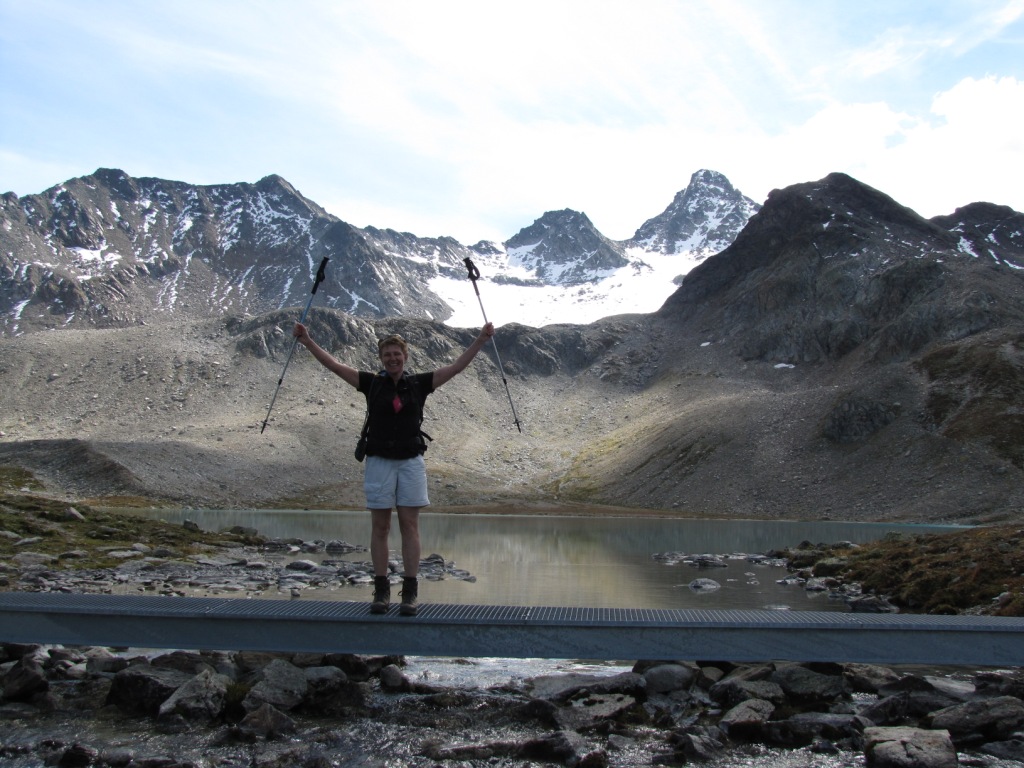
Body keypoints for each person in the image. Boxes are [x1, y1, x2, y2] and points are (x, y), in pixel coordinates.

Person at [293, 320, 495, 615]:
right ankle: (381, 590)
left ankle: (410, 592)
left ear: (405, 356)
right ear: (381, 358)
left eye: (397, 354)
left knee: (410, 526)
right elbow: (335, 366)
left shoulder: (420, 384)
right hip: (379, 462)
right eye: (387, 355)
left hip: (411, 463)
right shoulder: (371, 383)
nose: (392, 359)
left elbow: (455, 368)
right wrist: (308, 341)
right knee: (381, 527)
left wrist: (480, 340)